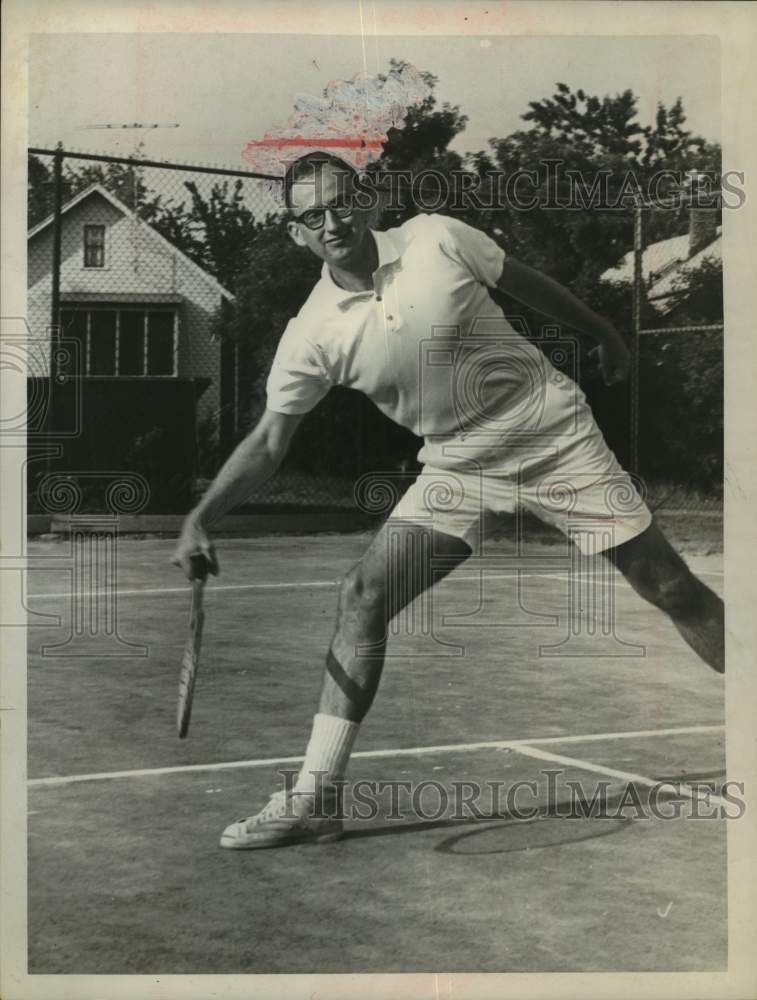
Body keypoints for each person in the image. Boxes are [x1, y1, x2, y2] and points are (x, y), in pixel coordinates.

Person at [172, 151, 724, 850]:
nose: (332, 221)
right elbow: (269, 441)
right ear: (297, 234)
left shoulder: (438, 237)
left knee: (671, 587)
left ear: (368, 200)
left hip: (550, 432)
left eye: (342, 202)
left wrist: (603, 331)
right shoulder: (311, 332)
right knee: (362, 596)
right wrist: (201, 517)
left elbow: (531, 287)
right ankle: (316, 799)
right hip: (456, 466)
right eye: (312, 215)